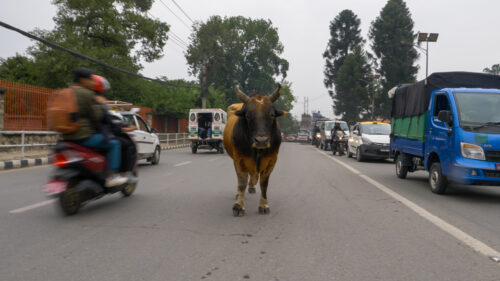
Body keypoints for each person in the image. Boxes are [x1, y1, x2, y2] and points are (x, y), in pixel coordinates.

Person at [62, 67, 127, 187]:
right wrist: (102, 105)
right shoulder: (86, 94)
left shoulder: (65, 91)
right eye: (90, 79)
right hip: (82, 136)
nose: (92, 82)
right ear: (82, 80)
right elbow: (97, 116)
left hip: (65, 137)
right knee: (114, 144)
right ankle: (112, 176)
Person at [91, 74, 137, 176]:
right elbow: (107, 121)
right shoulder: (98, 101)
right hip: (92, 134)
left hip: (75, 135)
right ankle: (113, 174)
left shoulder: (80, 97)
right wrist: (121, 129)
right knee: (118, 144)